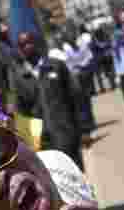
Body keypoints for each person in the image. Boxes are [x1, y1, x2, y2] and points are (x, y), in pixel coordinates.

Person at [14, 31, 85, 172]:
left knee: (77, 182)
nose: (27, 47)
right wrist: (32, 147)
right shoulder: (19, 79)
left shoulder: (57, 66)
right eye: (22, 45)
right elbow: (22, 114)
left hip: (66, 135)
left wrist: (83, 129)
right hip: (45, 144)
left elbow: (75, 97)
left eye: (29, 42)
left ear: (37, 43)